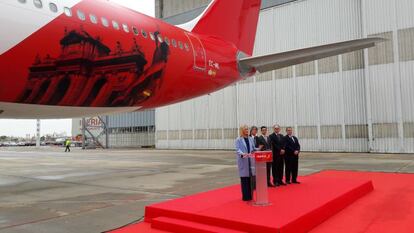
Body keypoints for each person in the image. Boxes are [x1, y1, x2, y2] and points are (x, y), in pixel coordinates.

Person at [235, 125, 261, 201]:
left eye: (247, 129)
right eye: (245, 129)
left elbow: (253, 148)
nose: (247, 130)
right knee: (244, 179)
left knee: (250, 179)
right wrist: (242, 154)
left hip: (251, 161)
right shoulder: (238, 139)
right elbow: (237, 149)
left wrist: (258, 149)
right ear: (242, 130)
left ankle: (250, 196)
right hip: (243, 160)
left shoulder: (250, 139)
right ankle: (245, 197)